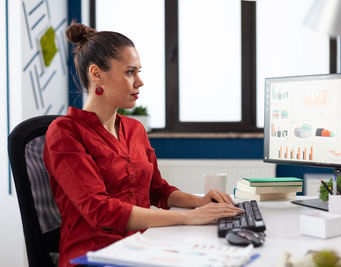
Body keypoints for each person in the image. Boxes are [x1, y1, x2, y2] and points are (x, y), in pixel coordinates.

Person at [43, 22, 243, 267]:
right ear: (96, 74)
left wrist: (199, 202)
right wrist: (188, 218)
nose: (140, 81)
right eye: (130, 72)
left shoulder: (135, 129)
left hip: (143, 247)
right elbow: (100, 210)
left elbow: (157, 190)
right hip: (94, 256)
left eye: (139, 71)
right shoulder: (65, 132)